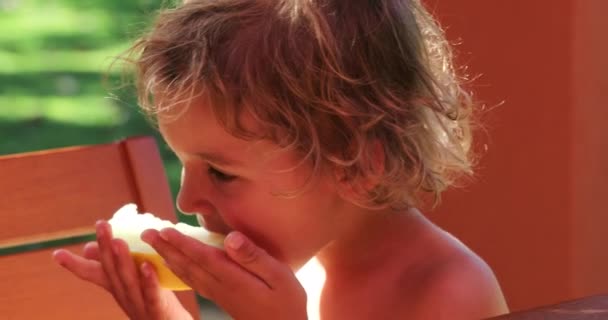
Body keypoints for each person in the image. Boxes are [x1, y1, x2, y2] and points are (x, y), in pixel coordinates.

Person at [52, 0, 509, 319]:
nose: (187, 200)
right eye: (184, 163)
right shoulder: (298, 265)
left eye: (220, 173)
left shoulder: (447, 295)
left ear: (355, 164)